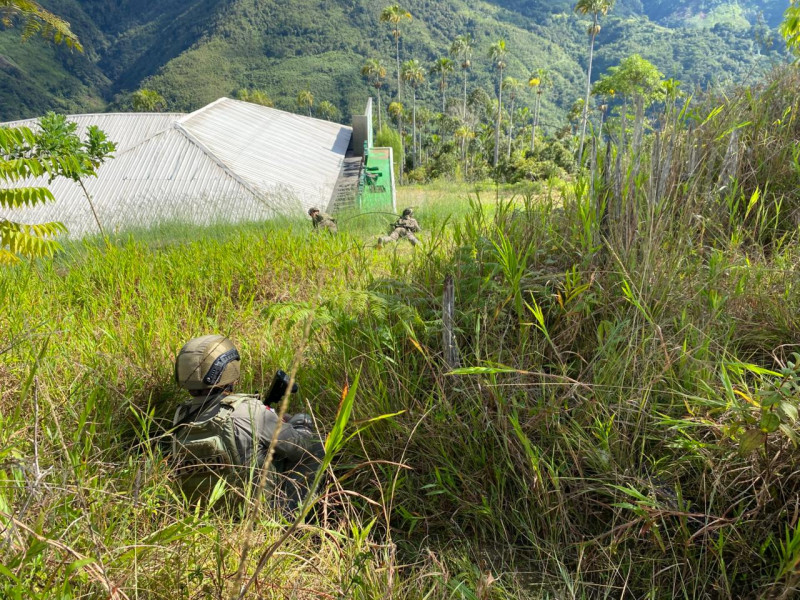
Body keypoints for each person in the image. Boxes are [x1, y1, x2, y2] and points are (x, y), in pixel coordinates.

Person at [169, 334, 322, 511]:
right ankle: (289, 522)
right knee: (317, 447)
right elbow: (300, 448)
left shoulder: (180, 416)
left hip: (203, 516)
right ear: (229, 368)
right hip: (257, 516)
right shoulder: (249, 411)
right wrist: (301, 423)